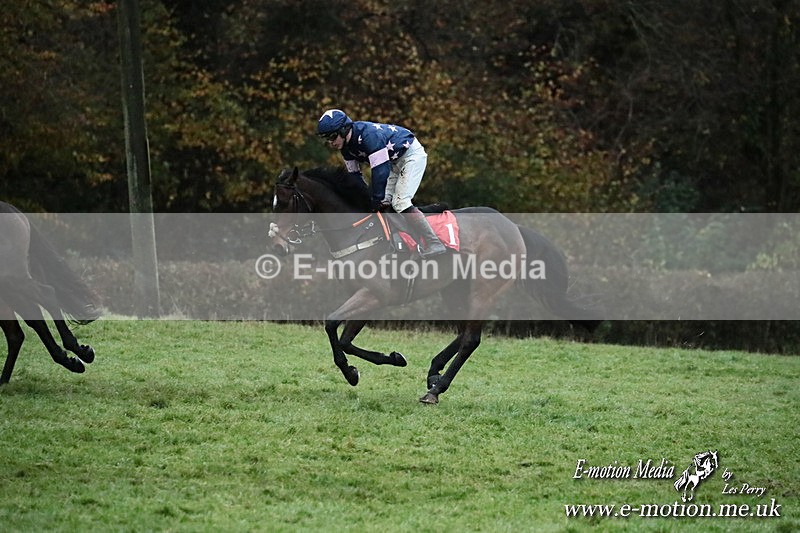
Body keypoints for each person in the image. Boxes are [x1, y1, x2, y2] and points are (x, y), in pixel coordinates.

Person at [316, 108, 446, 258]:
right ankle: (404, 242)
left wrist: (375, 199)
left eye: (332, 137)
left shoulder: (369, 136)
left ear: (344, 130)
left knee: (400, 202)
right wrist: (366, 200)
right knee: (384, 203)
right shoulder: (346, 148)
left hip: (411, 156)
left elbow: (381, 171)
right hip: (393, 163)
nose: (331, 142)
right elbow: (355, 177)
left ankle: (434, 242)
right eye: (327, 139)